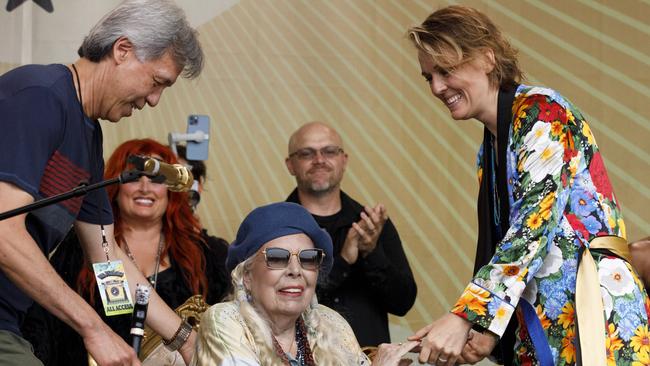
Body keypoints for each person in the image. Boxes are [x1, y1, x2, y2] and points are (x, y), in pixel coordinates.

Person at [406, 5, 649, 365]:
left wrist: (465, 316)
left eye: (446, 70)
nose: (438, 87)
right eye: (429, 77)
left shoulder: (542, 113)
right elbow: (512, 245)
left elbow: (531, 229)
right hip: (543, 319)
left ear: (487, 58)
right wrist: (486, 331)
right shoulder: (489, 149)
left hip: (592, 312)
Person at [0, 0, 204, 365]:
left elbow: (107, 259)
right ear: (122, 50)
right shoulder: (40, 96)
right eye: (157, 82)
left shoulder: (89, 135)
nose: (155, 101)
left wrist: (184, 339)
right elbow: (3, 232)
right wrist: (93, 329)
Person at [21, 139, 232, 365]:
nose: (144, 186)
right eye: (133, 176)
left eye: (156, 177)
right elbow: (44, 321)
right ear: (116, 184)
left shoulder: (207, 253)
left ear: (171, 190)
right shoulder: (82, 245)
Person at [191, 202, 419, 365]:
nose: (295, 270)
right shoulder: (225, 320)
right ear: (247, 276)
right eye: (278, 257)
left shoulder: (330, 323)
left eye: (308, 258)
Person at [284, 122, 417, 347]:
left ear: (344, 160)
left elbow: (402, 303)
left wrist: (372, 252)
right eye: (307, 153)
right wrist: (343, 262)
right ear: (290, 165)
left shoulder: (372, 224)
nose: (319, 160)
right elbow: (277, 304)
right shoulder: (276, 229)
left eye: (329, 151)